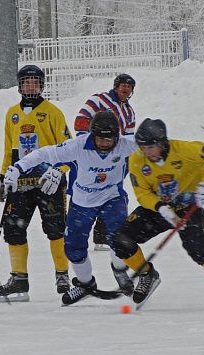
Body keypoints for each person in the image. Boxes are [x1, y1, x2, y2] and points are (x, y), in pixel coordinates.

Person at [4, 111, 139, 306]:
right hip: (83, 201)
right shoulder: (78, 145)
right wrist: (17, 168)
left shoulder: (125, 144)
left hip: (112, 197)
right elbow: (44, 153)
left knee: (120, 239)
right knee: (73, 247)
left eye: (109, 140)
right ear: (92, 135)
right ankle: (85, 284)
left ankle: (119, 270)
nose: (104, 144)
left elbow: (156, 143)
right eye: (100, 139)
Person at [111, 118, 204, 309]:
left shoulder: (186, 151)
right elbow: (142, 192)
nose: (146, 152)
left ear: (162, 143)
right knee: (120, 239)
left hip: (188, 207)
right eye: (143, 146)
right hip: (158, 209)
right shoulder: (137, 160)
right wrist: (159, 207)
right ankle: (147, 275)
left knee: (196, 246)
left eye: (151, 147)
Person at [0, 64, 72, 302]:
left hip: (49, 183)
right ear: (19, 85)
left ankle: (62, 274)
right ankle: (19, 279)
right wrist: (2, 176)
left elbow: (68, 149)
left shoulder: (53, 112)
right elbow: (9, 149)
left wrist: (59, 170)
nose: (30, 86)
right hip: (21, 184)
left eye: (35, 82)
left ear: (42, 85)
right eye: (26, 82)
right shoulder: (11, 114)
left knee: (56, 229)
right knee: (13, 228)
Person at [74, 73, 136, 251]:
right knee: (87, 190)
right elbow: (81, 121)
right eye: (123, 85)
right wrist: (89, 146)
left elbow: (129, 137)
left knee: (110, 192)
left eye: (129, 87)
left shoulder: (129, 111)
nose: (125, 89)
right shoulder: (99, 100)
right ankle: (77, 236)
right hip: (94, 153)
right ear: (116, 86)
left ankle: (102, 236)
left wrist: (123, 153)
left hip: (114, 156)